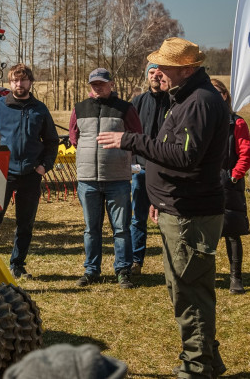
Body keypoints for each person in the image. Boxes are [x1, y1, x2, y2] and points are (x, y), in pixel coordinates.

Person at [97, 37, 229, 378]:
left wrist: (130, 139)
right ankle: (207, 360)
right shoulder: (185, 98)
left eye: (164, 67)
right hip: (178, 207)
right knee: (185, 288)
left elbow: (185, 157)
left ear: (186, 69)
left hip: (191, 213)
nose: (158, 72)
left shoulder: (199, 102)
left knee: (189, 294)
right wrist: (159, 199)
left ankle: (197, 368)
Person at [0, 63, 58, 280]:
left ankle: (17, 265)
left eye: (23, 80)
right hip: (2, 173)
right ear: (9, 82)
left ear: (30, 82)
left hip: (31, 174)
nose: (19, 84)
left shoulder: (39, 109)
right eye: (14, 80)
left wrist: (44, 166)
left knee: (25, 223)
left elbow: (51, 141)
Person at [69, 68, 142, 289]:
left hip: (117, 179)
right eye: (94, 84)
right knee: (91, 229)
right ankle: (91, 270)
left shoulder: (125, 108)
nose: (97, 87)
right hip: (88, 179)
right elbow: (74, 138)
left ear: (111, 84)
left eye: (101, 83)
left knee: (121, 228)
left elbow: (136, 136)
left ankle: (123, 271)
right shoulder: (79, 109)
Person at [129, 62, 170, 275]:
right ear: (147, 76)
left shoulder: (174, 101)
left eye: (159, 72)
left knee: (169, 218)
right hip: (141, 170)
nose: (155, 75)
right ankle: (136, 261)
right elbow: (130, 135)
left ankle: (172, 262)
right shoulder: (137, 102)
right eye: (152, 72)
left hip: (167, 170)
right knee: (139, 217)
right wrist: (132, 164)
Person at [211, 78, 250, 295]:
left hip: (228, 181)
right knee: (206, 231)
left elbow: (245, 153)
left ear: (225, 95)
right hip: (206, 181)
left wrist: (234, 175)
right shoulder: (203, 120)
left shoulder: (237, 123)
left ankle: (236, 277)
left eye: (217, 92)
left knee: (232, 231)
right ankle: (207, 275)